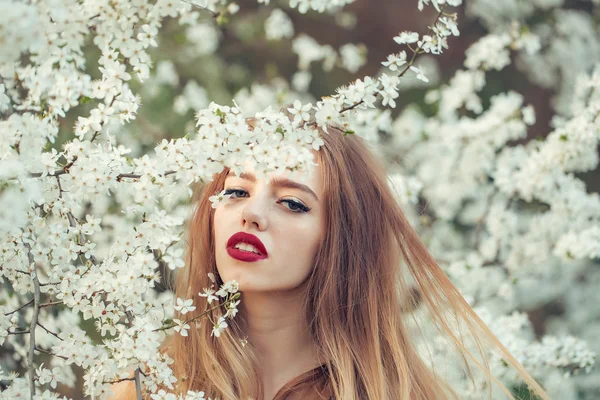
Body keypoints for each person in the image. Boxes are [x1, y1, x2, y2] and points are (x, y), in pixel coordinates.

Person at [109, 121, 550, 400]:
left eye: (293, 203)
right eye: (236, 192)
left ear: (343, 238)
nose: (251, 214)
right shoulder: (147, 386)